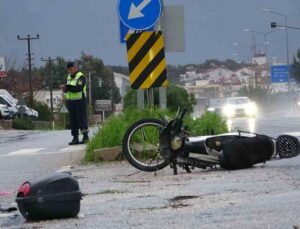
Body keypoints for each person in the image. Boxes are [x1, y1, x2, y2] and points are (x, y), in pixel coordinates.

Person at [60, 62, 89, 145]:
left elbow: (79, 88)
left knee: (82, 120)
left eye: (72, 69)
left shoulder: (81, 77)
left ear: (75, 68)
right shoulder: (68, 77)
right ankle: (75, 138)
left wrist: (67, 87)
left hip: (80, 102)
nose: (70, 71)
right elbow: (67, 90)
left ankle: (85, 137)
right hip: (71, 102)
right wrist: (64, 89)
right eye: (69, 69)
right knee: (73, 121)